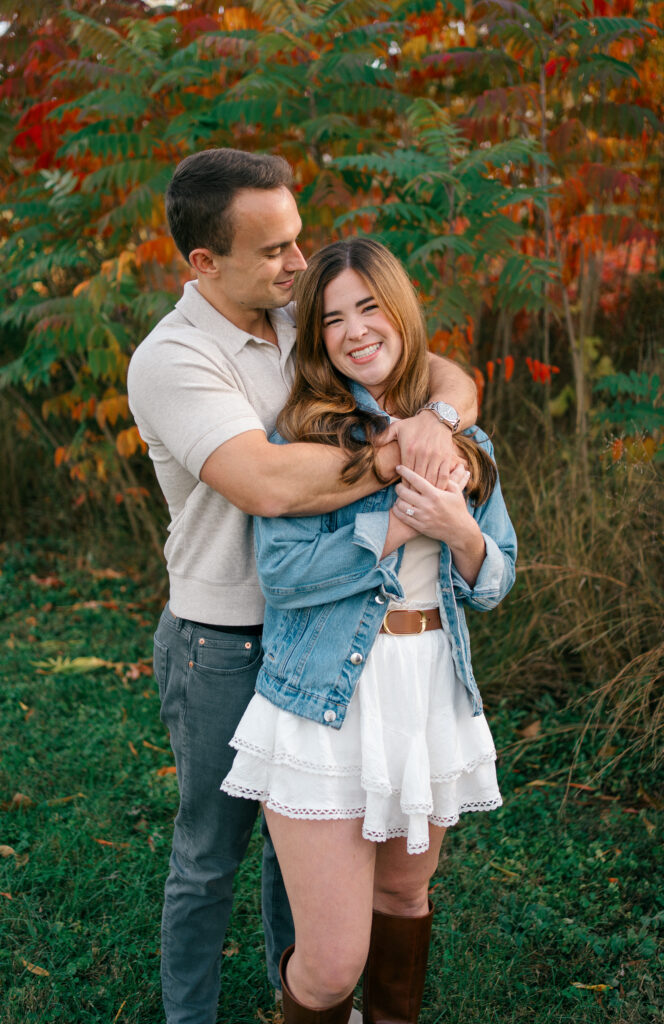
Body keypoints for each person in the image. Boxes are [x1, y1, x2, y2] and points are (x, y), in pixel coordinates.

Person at [127, 148, 478, 1024]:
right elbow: (270, 485)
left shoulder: (295, 321)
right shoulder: (172, 359)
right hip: (224, 637)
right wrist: (409, 455)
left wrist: (441, 412)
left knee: (307, 847)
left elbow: (430, 368)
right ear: (204, 263)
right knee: (211, 854)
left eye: (297, 240)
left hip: (328, 630)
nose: (296, 264)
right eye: (274, 250)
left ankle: (307, 993)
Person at [221, 237, 517, 1024]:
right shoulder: (305, 439)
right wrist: (392, 526)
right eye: (332, 319)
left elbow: (494, 581)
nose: (355, 330)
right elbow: (284, 577)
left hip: (427, 691)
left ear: (402, 311)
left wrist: (457, 528)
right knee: (330, 964)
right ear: (317, 339)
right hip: (326, 696)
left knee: (405, 893)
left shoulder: (464, 442)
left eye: (369, 307)